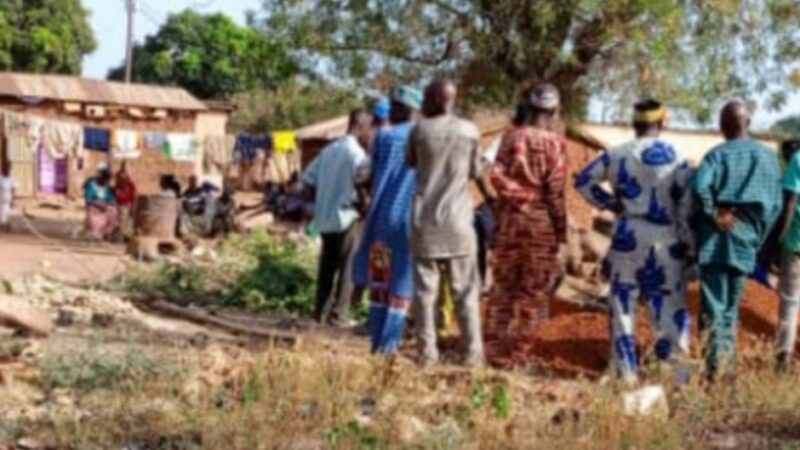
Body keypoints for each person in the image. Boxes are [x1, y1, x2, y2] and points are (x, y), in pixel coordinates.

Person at [574, 100, 694, 383]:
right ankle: (675, 374)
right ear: (662, 122)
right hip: (666, 237)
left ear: (634, 124)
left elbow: (583, 181)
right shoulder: (679, 158)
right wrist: (689, 246)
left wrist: (610, 203)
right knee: (668, 304)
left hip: (627, 233)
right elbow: (686, 206)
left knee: (623, 303)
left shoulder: (617, 154)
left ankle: (624, 373)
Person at [692, 101, 783, 380]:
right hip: (747, 242)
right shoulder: (768, 158)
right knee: (731, 310)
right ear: (748, 123)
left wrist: (714, 211)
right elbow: (776, 206)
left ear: (722, 127)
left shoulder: (717, 156)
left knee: (714, 309)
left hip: (716, 243)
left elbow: (699, 188)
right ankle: (727, 371)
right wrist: (757, 236)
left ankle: (714, 373)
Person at [407, 79, 493, 367]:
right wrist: (494, 202)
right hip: (459, 223)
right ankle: (473, 355)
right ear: (452, 100)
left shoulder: (419, 132)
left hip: (425, 222)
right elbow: (477, 172)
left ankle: (427, 355)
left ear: (433, 100)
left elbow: (412, 164)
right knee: (466, 293)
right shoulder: (469, 131)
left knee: (424, 294)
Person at [484, 84, 568, 368]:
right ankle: (519, 357)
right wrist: (560, 230)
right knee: (533, 294)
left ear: (529, 108)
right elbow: (556, 191)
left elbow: (494, 175)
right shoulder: (557, 144)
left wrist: (517, 195)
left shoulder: (510, 137)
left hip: (509, 221)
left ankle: (493, 352)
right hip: (541, 224)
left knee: (503, 287)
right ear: (555, 111)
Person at [352, 86, 422, 354]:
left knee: (380, 282)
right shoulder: (422, 138)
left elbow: (362, 174)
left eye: (395, 105)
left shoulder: (383, 137)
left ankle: (376, 341)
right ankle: (389, 346)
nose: (391, 109)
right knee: (402, 283)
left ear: (407, 108)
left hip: (381, 221)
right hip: (408, 221)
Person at [302, 109, 373, 327]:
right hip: (347, 215)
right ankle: (340, 314)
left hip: (325, 217)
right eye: (368, 129)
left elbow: (308, 179)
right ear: (360, 127)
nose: (368, 134)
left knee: (327, 265)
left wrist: (315, 205)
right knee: (348, 265)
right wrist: (363, 205)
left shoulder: (328, 151)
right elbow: (363, 182)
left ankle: (320, 312)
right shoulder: (358, 156)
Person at [770, 139, 800, 371]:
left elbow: (789, 203)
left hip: (796, 242)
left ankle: (783, 359)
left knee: (790, 302)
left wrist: (776, 241)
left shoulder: (798, 160)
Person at [84, 167, 119, 240]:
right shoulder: (91, 186)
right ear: (100, 177)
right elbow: (88, 199)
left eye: (106, 180)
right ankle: (96, 232)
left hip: (105, 207)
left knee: (113, 211)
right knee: (93, 213)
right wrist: (97, 203)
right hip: (94, 207)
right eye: (104, 179)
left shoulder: (107, 187)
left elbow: (111, 199)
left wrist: (109, 203)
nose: (105, 181)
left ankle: (109, 232)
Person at [114, 164, 137, 239]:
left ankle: (126, 235)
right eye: (120, 179)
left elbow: (133, 198)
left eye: (124, 179)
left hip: (127, 206)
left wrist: (132, 207)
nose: (122, 180)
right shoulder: (116, 188)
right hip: (118, 206)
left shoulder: (131, 186)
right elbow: (114, 199)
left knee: (126, 218)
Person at [0, 163, 17, 232]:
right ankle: (3, 226)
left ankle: (7, 226)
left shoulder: (11, 179)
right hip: (1, 199)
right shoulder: (1, 179)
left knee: (8, 213)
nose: (7, 170)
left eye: (8, 169)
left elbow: (13, 190)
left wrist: (13, 200)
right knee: (2, 213)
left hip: (8, 199)